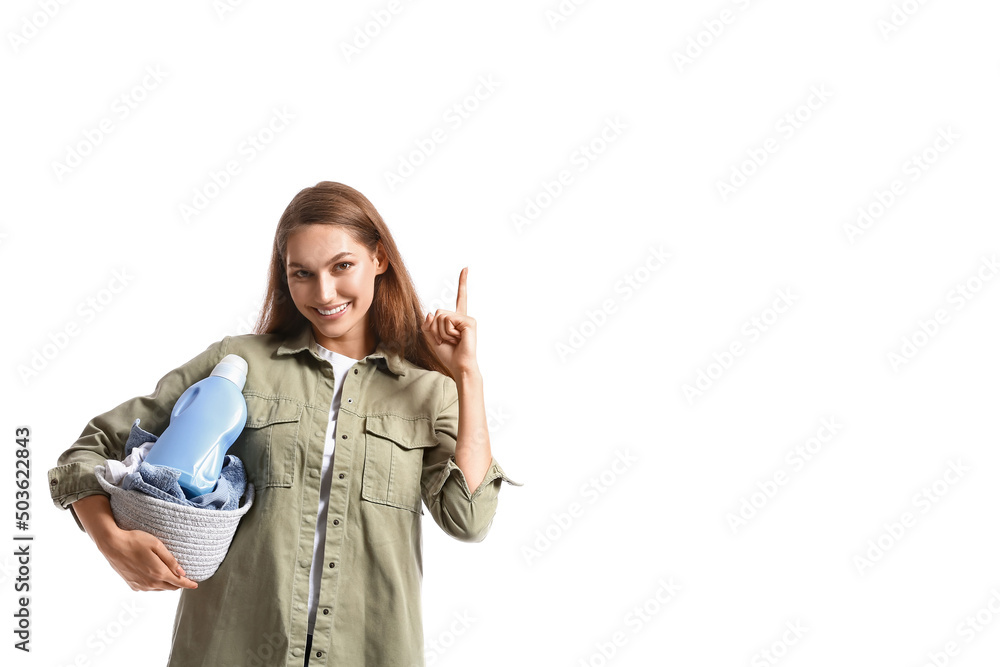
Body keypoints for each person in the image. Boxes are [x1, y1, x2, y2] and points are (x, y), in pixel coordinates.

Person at [47, 181, 520, 666]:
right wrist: (110, 539)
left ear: (379, 259)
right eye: (303, 273)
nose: (324, 293)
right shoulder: (235, 362)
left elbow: (469, 519)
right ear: (285, 276)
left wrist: (466, 376)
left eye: (342, 266)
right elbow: (91, 448)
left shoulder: (429, 391)